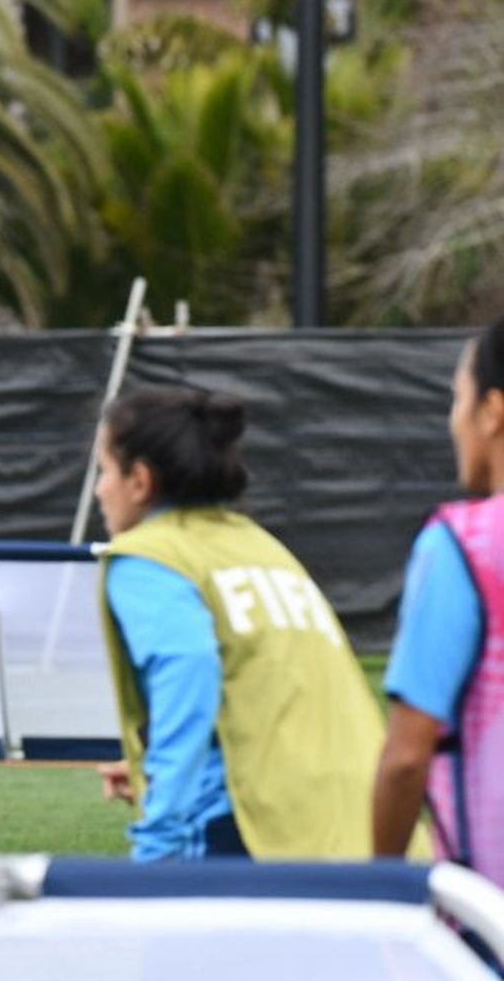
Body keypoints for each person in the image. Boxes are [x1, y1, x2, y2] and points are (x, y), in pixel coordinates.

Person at [93, 386, 424, 860]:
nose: (100, 489)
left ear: (140, 480)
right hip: (364, 826)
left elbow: (187, 672)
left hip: (264, 838)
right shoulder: (262, 548)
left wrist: (159, 839)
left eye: (104, 470)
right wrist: (176, 765)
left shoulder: (150, 558)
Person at [374, 322, 504, 884]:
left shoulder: (461, 542)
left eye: (458, 398)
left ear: (491, 411)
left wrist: (380, 886)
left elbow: (406, 757)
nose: (454, 421)